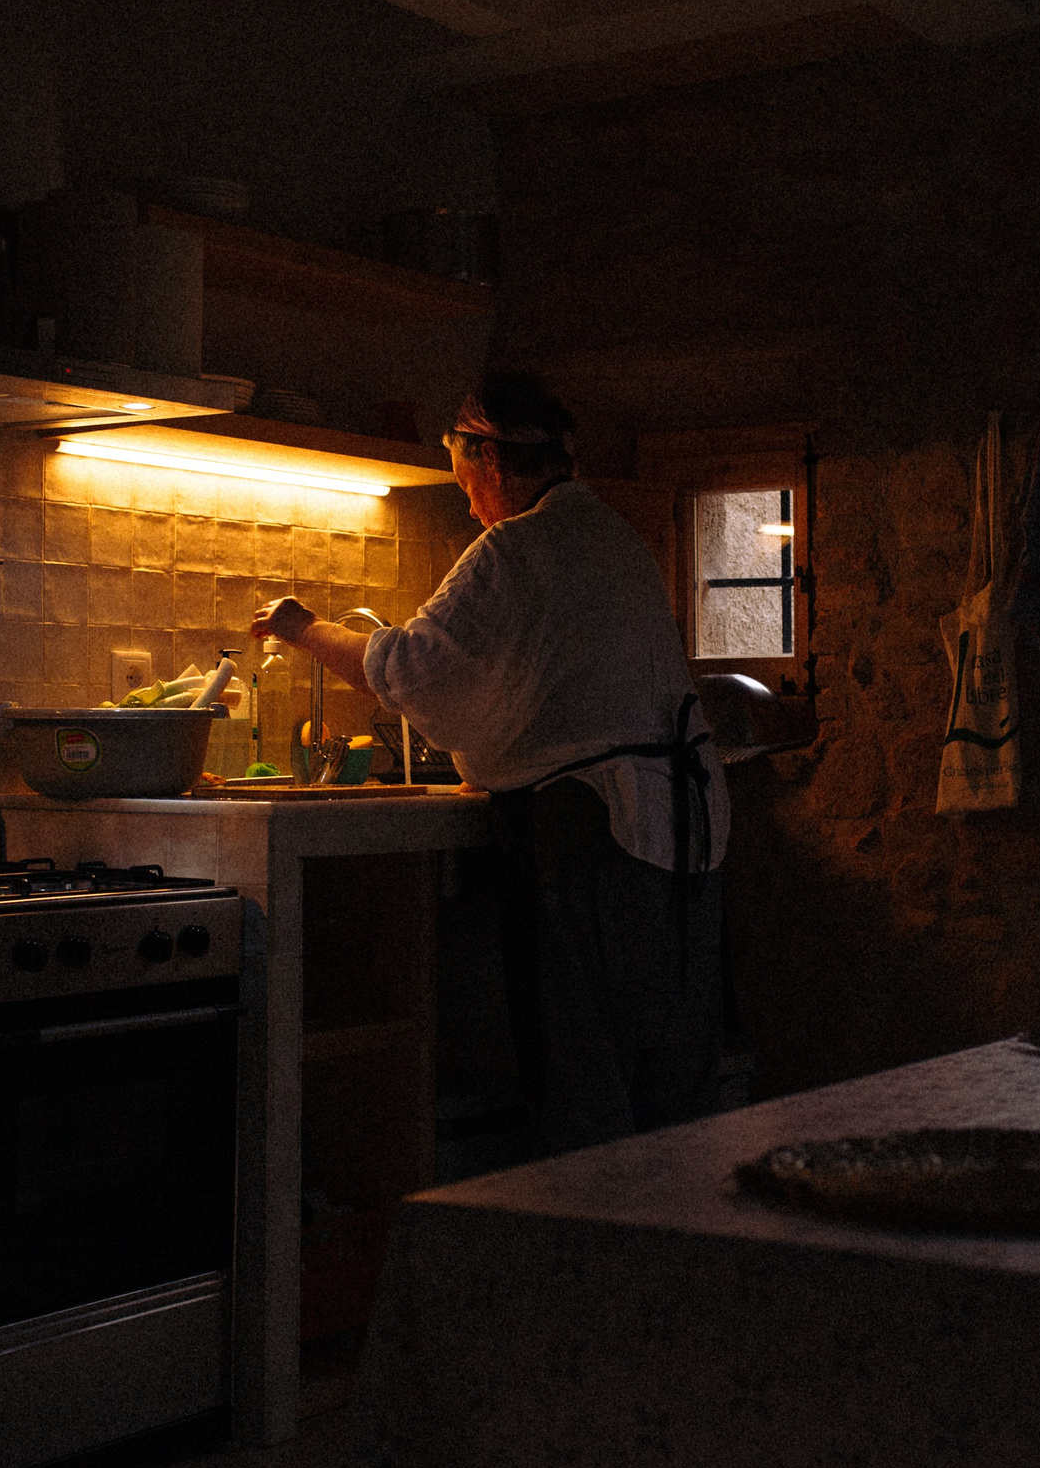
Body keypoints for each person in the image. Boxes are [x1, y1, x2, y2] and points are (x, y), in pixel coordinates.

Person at [250, 374, 726, 1154]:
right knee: (669, 1094)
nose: (467, 499)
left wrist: (300, 625)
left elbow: (408, 667)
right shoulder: (609, 535)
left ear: (489, 461)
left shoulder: (515, 548)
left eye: (464, 475)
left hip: (597, 838)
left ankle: (585, 1257)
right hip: (686, 833)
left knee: (589, 1093)